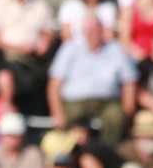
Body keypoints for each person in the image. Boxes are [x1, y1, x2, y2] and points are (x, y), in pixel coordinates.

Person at [47, 15, 138, 145]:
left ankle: (109, 153)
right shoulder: (70, 48)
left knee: (117, 117)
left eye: (98, 29)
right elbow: (54, 84)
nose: (95, 33)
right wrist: (57, 112)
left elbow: (130, 81)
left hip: (107, 102)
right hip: (75, 102)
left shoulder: (115, 49)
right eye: (91, 30)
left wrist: (128, 109)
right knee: (70, 121)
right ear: (84, 31)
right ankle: (71, 155)